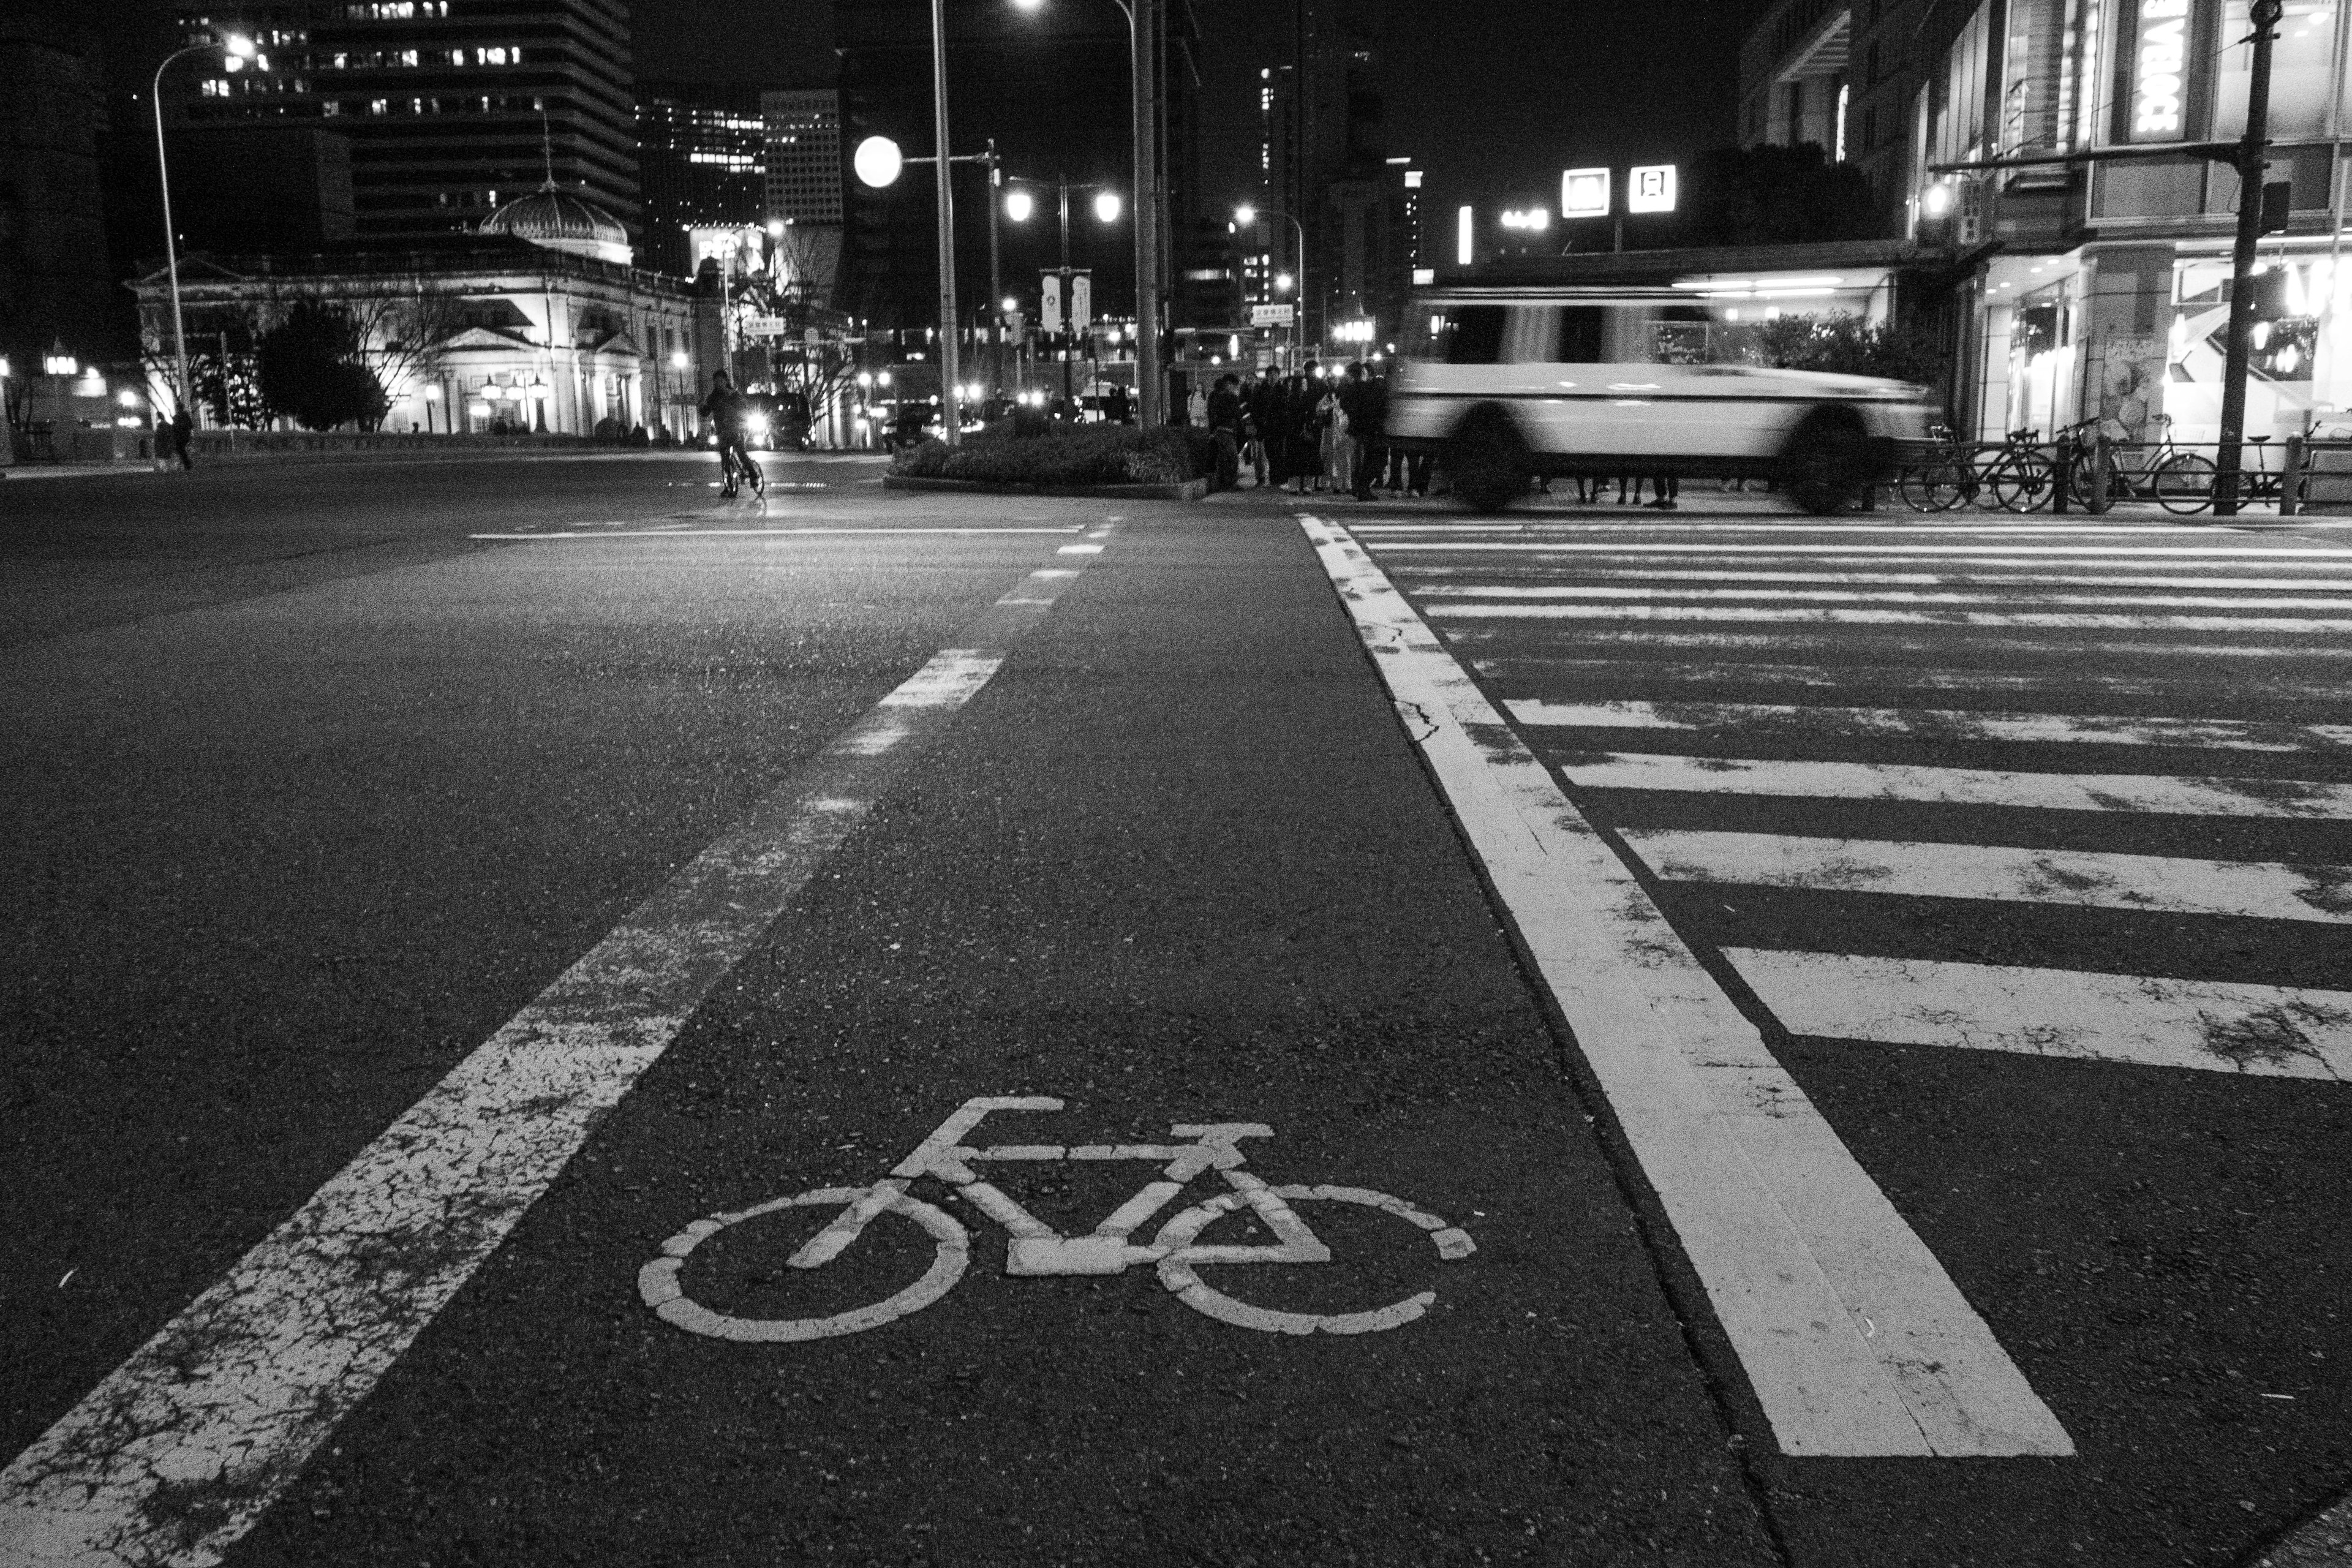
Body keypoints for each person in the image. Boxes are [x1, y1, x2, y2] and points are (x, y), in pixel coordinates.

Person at [699, 371, 751, 496]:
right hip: (722, 431)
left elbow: (744, 407)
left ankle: (754, 475)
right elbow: (706, 412)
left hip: (736, 429)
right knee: (725, 460)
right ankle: (728, 486)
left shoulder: (733, 394)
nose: (719, 384)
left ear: (726, 381)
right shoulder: (713, 397)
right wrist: (703, 408)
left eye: (721, 381)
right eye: (716, 382)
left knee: (742, 454)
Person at [1249, 369, 1287, 489]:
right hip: (1265, 426)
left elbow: (1285, 407)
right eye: (1271, 375)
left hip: (1278, 426)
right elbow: (1255, 407)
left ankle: (1277, 478)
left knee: (1278, 452)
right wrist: (1259, 421)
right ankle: (1266, 477)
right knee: (1267, 452)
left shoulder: (1283, 390)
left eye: (1275, 375)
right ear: (1267, 376)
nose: (1273, 377)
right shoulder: (1261, 390)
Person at [1206, 373, 1244, 491]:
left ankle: (1225, 484)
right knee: (1231, 457)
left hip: (1223, 430)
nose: (1234, 388)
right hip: (1225, 430)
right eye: (1233, 385)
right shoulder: (1227, 397)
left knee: (1225, 458)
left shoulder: (1217, 395)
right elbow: (1236, 414)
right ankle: (1229, 484)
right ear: (1228, 384)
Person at [169, 406, 195, 471]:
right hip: (185, 436)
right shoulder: (186, 416)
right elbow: (191, 426)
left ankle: (187, 464)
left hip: (180, 437)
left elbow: (175, 426)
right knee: (181, 450)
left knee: (180, 450)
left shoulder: (178, 416)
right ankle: (187, 464)